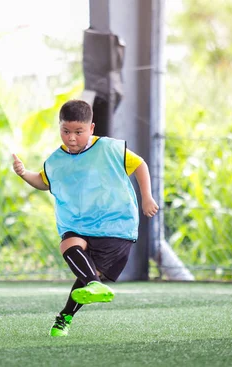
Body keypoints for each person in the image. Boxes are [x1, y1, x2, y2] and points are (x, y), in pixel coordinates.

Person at [12, 99, 159, 337]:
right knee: (69, 246)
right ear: (59, 127)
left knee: (88, 278)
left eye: (78, 132)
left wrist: (147, 197)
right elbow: (43, 181)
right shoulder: (55, 160)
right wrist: (24, 173)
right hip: (77, 224)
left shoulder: (110, 148)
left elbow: (140, 164)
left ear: (91, 128)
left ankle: (65, 316)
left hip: (115, 224)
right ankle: (92, 285)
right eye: (65, 131)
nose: (71, 138)